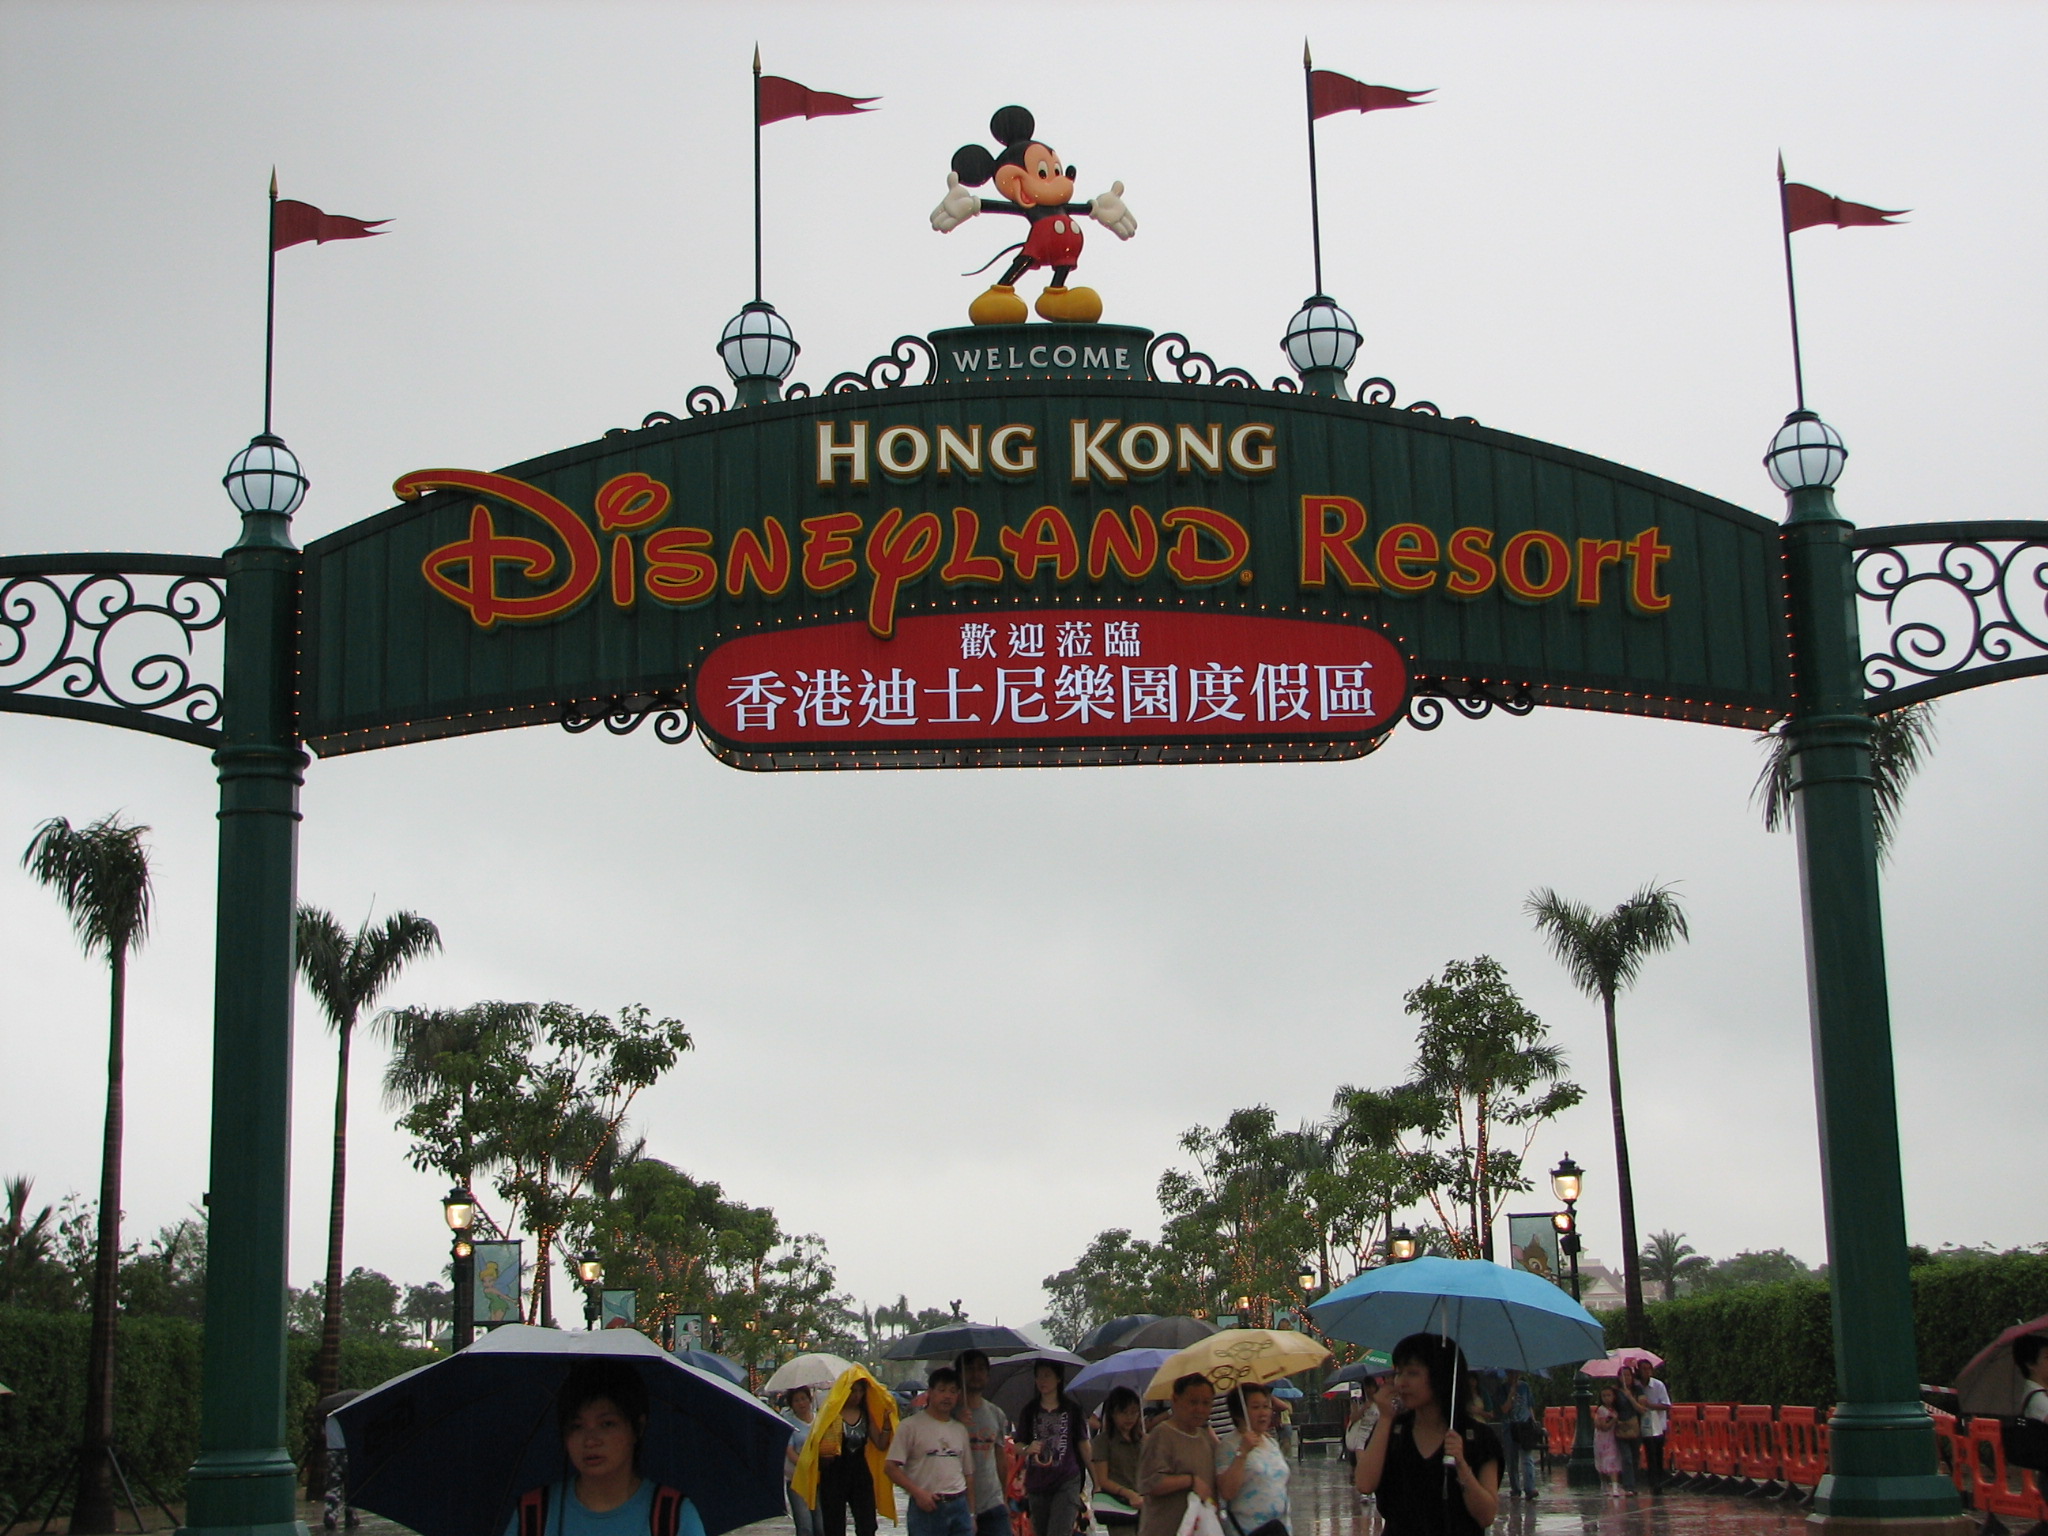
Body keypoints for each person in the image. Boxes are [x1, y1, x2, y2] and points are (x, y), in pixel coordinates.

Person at [502, 1360, 707, 1536]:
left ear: (638, 1427)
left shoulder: (671, 1517)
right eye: (577, 1426)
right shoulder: (533, 1515)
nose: (590, 1441)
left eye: (607, 1424)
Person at [1352, 1334, 1500, 1536]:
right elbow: (1364, 1483)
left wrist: (1462, 1467)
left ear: (1441, 1377)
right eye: (1398, 1373)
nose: (1401, 1382)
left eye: (1412, 1373)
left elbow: (1486, 1516)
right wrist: (1385, 1419)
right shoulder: (1394, 1430)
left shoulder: (1479, 1437)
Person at [794, 1367, 899, 1536]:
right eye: (853, 1390)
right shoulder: (830, 1414)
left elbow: (880, 1443)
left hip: (860, 1474)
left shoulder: (865, 1415)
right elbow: (816, 1444)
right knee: (834, 1525)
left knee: (867, 1524)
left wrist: (887, 1424)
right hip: (834, 1474)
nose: (857, 1395)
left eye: (860, 1391)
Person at [887, 1366, 975, 1536]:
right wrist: (917, 1493)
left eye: (952, 1391)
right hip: (927, 1507)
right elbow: (890, 1467)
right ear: (930, 1392)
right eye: (942, 1390)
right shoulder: (910, 1426)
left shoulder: (960, 1429)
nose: (947, 1396)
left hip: (959, 1506)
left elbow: (969, 1474)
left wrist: (971, 1514)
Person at [1137, 1374, 1219, 1536]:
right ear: (1175, 1400)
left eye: (1206, 1403)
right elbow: (1150, 1483)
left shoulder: (1205, 1437)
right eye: (1193, 1402)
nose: (1200, 1409)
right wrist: (1190, 1481)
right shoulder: (1162, 1434)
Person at [1016, 1360, 1091, 1536]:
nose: (1042, 1380)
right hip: (1038, 1482)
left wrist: (1096, 1480)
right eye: (1038, 1376)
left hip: (1066, 1479)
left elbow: (1083, 1444)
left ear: (1058, 1378)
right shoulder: (1029, 1410)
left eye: (1047, 1375)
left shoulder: (1072, 1410)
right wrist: (1027, 1449)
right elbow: (1017, 1445)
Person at [955, 1351, 1015, 1536]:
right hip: (957, 1504)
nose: (975, 1374)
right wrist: (955, 1424)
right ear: (959, 1374)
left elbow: (1000, 1458)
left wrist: (1004, 1496)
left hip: (992, 1503)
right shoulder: (948, 1412)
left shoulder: (995, 1413)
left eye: (981, 1369)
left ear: (988, 1375)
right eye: (969, 1369)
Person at [1218, 1384, 1289, 1536]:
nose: (1263, 1413)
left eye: (1266, 1406)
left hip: (1279, 1528)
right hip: (1248, 1529)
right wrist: (1243, 1452)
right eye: (1256, 1407)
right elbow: (1226, 1492)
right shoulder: (1229, 1444)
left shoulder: (1271, 1442)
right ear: (1239, 1413)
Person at [1090, 1386, 1146, 1527]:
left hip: (1145, 1505)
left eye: (1134, 1412)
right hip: (1118, 1505)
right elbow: (1103, 1480)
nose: (1129, 1417)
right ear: (1112, 1413)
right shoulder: (1103, 1441)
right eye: (1123, 1412)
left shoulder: (1144, 1440)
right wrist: (1129, 1494)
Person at [783, 1387, 819, 1536]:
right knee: (805, 1527)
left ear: (810, 1400)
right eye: (796, 1400)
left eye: (803, 1399)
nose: (801, 1403)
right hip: (797, 1480)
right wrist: (806, 1466)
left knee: (821, 1526)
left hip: (819, 1480)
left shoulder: (820, 1420)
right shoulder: (788, 1423)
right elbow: (789, 1451)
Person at [1498, 1371, 1537, 1500]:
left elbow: (1529, 1406)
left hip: (1525, 1426)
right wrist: (1511, 1393)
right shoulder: (1502, 1389)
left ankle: (1530, 1488)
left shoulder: (1525, 1386)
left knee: (1527, 1458)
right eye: (1511, 1373)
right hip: (1510, 1426)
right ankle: (1515, 1488)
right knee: (1512, 1459)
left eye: (1516, 1373)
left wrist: (1533, 1421)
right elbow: (1504, 1409)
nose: (1514, 1376)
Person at [1634, 1362, 1671, 1489]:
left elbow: (1666, 1405)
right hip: (1641, 1425)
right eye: (1643, 1369)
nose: (1646, 1372)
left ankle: (1658, 1479)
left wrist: (1650, 1405)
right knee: (1648, 1451)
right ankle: (1651, 1480)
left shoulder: (1658, 1385)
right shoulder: (1636, 1386)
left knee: (1657, 1452)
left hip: (1658, 1425)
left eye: (1648, 1369)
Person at [1610, 1370, 1642, 1494]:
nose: (1626, 1378)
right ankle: (1628, 1486)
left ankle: (1634, 1482)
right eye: (1623, 1375)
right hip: (1620, 1427)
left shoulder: (1637, 1390)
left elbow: (1641, 1408)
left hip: (1634, 1426)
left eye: (1628, 1375)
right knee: (1626, 1457)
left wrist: (1630, 1397)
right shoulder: (1615, 1392)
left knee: (1635, 1457)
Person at [1591, 1385, 1624, 1498]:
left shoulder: (1616, 1409)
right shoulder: (1601, 1410)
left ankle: (1614, 1487)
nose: (1607, 1398)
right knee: (1602, 1462)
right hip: (1602, 1440)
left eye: (1609, 1395)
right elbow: (1603, 1427)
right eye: (1604, 1396)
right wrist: (1614, 1420)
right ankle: (1604, 1484)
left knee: (1613, 1461)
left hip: (1613, 1439)